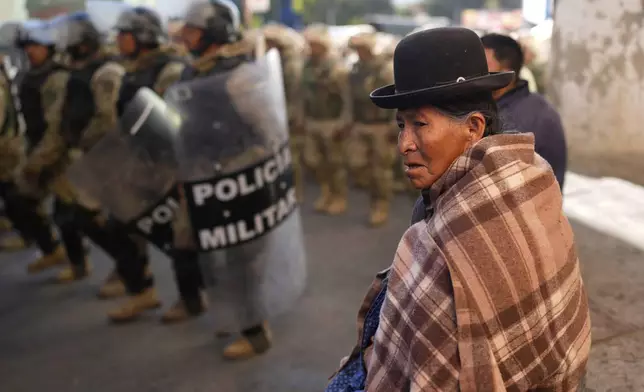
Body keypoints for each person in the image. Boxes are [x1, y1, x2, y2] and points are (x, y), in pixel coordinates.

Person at [327, 27, 590, 391]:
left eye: (420, 124)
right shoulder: (531, 175)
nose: (404, 144)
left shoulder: (436, 245)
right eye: (401, 125)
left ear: (473, 128)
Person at [170, 0, 276, 360]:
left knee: (240, 259)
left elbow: (269, 137)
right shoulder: (190, 73)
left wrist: (235, 169)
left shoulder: (239, 76)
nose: (184, 36)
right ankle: (222, 311)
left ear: (213, 32)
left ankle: (255, 332)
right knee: (192, 248)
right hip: (199, 177)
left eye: (193, 30)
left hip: (233, 179)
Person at [104, 6, 188, 322]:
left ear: (143, 37)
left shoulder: (170, 68)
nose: (119, 41)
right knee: (120, 225)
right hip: (140, 164)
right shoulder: (133, 68)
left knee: (181, 237)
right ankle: (142, 290)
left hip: (169, 165)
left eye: (124, 35)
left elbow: (170, 120)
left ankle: (191, 298)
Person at [9, 20, 69, 273]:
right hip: (38, 148)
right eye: (27, 47)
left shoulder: (58, 76)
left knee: (70, 215)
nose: (30, 52)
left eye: (35, 46)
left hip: (62, 152)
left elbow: (59, 126)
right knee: (17, 200)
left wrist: (39, 159)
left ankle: (80, 263)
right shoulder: (28, 76)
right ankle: (52, 249)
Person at [481, 33, 568, 189]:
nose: (474, 72)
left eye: (483, 65)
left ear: (506, 72)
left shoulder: (525, 119)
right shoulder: (492, 106)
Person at [346, 32, 397, 227]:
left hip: (381, 126)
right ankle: (374, 200)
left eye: (362, 49)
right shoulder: (357, 71)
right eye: (357, 49)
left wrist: (395, 125)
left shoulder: (384, 70)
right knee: (357, 164)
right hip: (361, 124)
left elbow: (395, 98)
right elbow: (350, 97)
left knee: (381, 171)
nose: (359, 53)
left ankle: (380, 206)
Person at [301, 24, 352, 215]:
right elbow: (302, 95)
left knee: (335, 163)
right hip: (313, 120)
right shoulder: (307, 65)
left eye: (314, 44)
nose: (311, 48)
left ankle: (339, 197)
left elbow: (346, 98)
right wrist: (302, 118)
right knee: (316, 162)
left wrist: (344, 121)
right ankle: (326, 194)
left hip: (331, 121)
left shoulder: (336, 67)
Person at [263, 23, 306, 202]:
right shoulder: (274, 60)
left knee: (293, 158)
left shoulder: (291, 63)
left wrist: (295, 117)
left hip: (289, 116)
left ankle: (296, 192)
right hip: (278, 116)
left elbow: (296, 94)